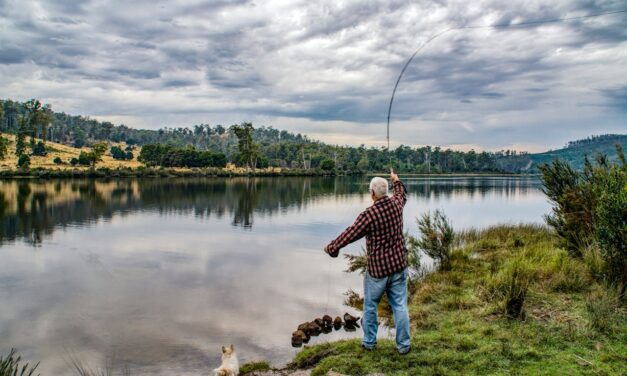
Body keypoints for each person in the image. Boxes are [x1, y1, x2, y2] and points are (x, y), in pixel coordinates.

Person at [324, 169, 410, 354]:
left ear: (372, 193)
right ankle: (404, 346)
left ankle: (369, 343)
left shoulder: (369, 215)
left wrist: (332, 247)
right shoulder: (396, 204)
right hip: (398, 266)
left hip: (378, 271)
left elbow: (350, 233)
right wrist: (396, 180)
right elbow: (402, 193)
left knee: (370, 306)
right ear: (385, 192)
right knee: (400, 306)